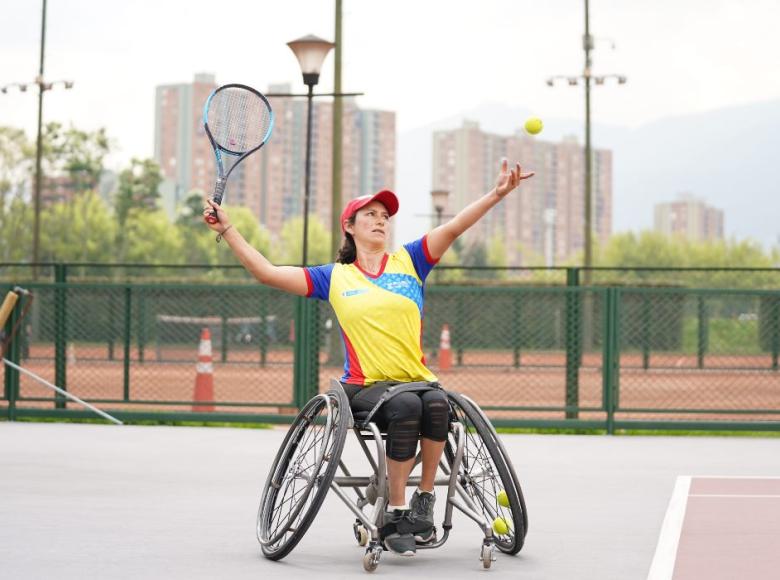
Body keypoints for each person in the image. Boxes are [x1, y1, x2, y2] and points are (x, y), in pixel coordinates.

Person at [203, 158, 534, 556]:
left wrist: (497, 194)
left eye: (385, 216)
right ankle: (396, 510)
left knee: (438, 405)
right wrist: (229, 230)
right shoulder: (334, 276)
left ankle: (423, 504)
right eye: (370, 215)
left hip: (416, 380)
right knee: (410, 405)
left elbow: (456, 225)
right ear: (349, 226)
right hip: (363, 389)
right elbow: (267, 272)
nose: (380, 221)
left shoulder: (411, 261)